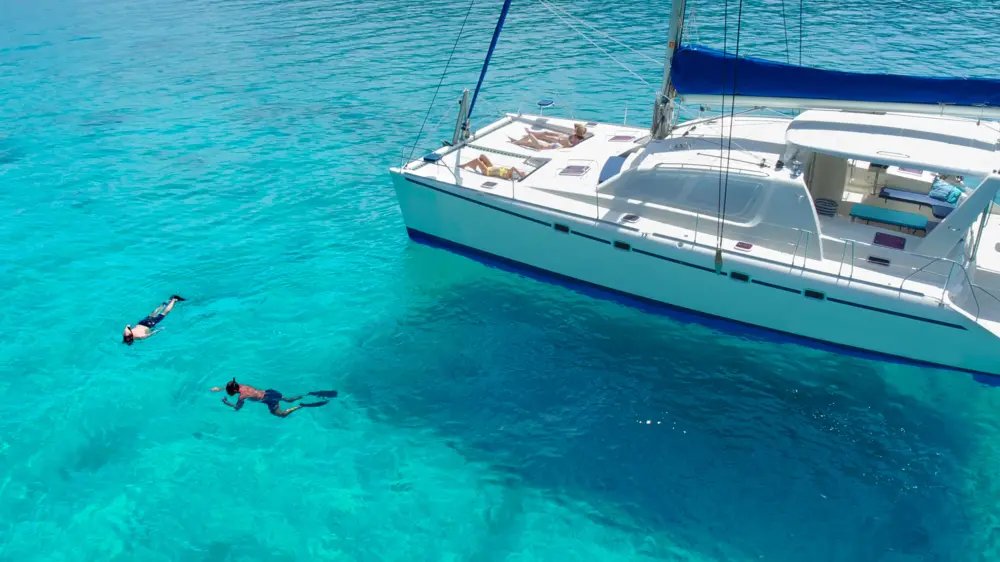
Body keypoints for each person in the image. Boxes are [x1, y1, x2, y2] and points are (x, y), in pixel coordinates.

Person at [210, 378, 338, 418]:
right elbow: (232, 386)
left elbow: (237, 408)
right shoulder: (242, 386)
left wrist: (227, 403)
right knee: (288, 399)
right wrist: (219, 388)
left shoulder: (243, 396)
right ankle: (307, 394)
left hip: (268, 400)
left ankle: (301, 406)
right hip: (271, 392)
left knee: (281, 414)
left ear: (234, 391)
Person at [510, 123, 588, 150]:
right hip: (558, 143)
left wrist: (563, 140)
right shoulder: (577, 137)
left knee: (532, 143)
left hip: (558, 144)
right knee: (544, 134)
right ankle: (519, 141)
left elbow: (569, 145)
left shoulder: (575, 139)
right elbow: (576, 126)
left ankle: (517, 142)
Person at [459, 154, 524, 180]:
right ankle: (475, 165)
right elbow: (515, 170)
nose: (515, 171)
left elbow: (513, 168)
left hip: (487, 171)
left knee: (477, 160)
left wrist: (520, 174)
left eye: (515, 173)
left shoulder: (507, 175)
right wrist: (521, 174)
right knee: (482, 156)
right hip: (491, 167)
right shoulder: (509, 172)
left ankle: (464, 166)